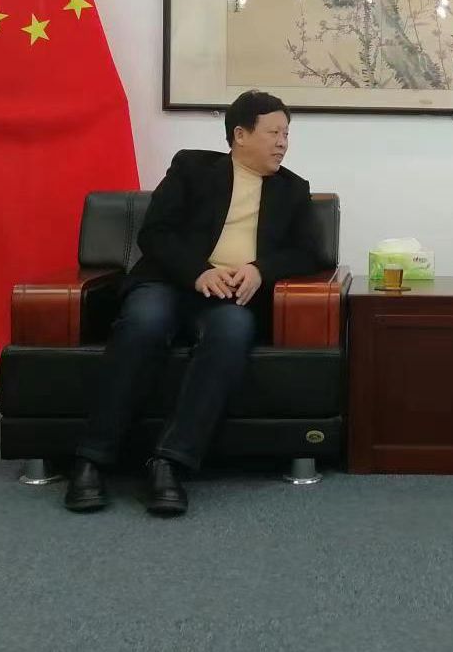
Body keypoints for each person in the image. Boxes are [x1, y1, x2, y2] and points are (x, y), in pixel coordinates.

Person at [64, 90, 320, 516]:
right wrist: (198, 271)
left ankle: (170, 461)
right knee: (144, 324)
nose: (283, 143)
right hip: (169, 282)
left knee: (233, 331)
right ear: (240, 135)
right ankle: (92, 458)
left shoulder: (293, 189)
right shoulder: (192, 169)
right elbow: (155, 232)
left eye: (286, 134)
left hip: (227, 297)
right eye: (274, 133)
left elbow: (309, 252)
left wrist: (259, 270)